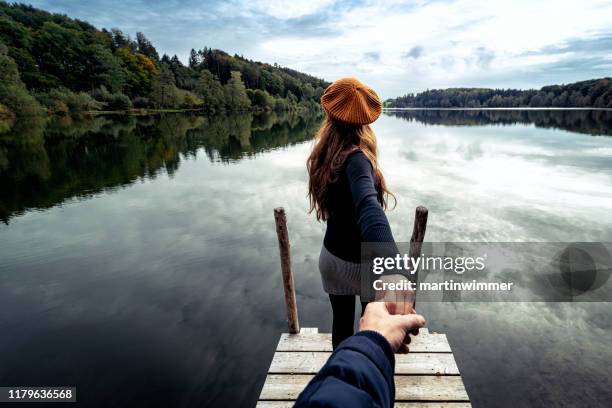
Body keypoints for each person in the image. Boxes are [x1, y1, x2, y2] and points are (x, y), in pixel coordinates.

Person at [307, 77, 401, 349]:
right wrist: (395, 264)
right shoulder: (358, 159)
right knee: (369, 330)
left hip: (332, 259)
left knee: (341, 325)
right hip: (362, 264)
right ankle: (361, 378)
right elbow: (368, 206)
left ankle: (340, 376)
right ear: (365, 120)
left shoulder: (324, 153)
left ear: (330, 114)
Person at [294, 301, 426, 408]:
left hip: (337, 271)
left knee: (342, 317)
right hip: (369, 271)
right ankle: (347, 364)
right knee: (367, 314)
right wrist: (373, 342)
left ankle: (341, 364)